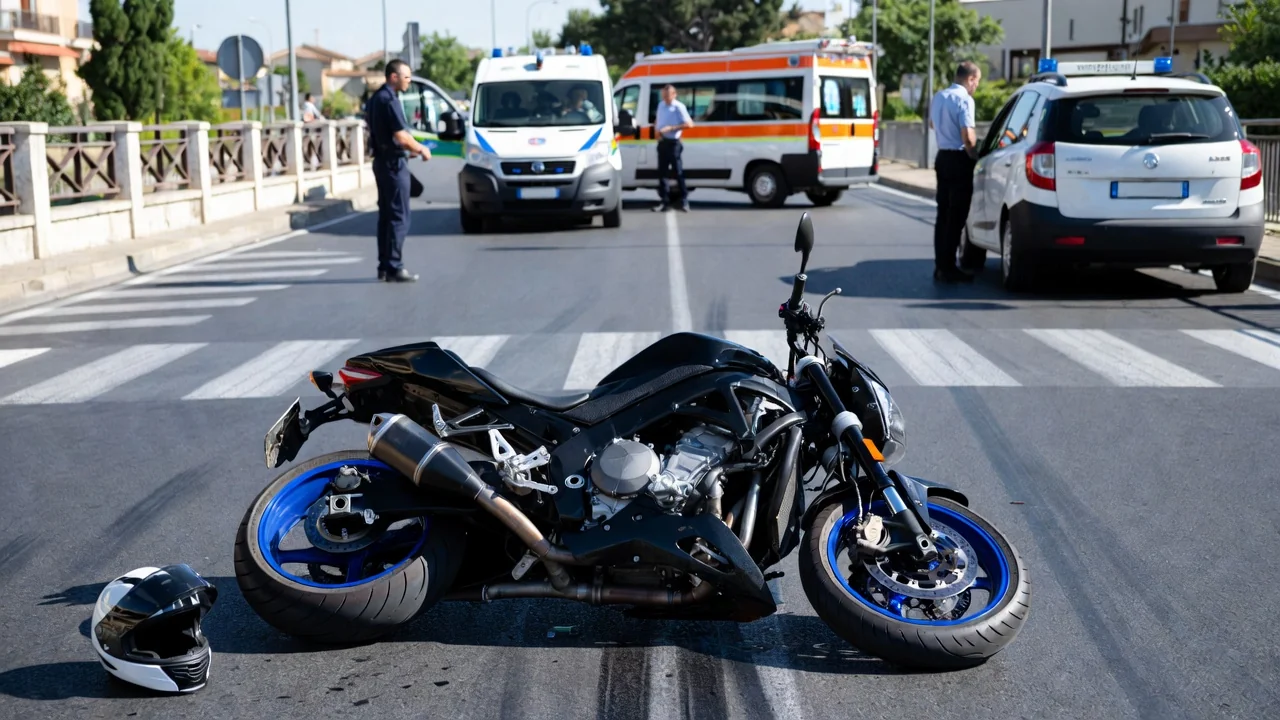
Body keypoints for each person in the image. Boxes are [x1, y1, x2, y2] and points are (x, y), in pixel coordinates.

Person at [364, 59, 432, 282]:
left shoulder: (376, 99)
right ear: (394, 77)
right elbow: (400, 134)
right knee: (399, 216)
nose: (409, 81)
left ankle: (384, 266)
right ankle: (395, 266)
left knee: (385, 216)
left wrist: (406, 149)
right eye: (406, 77)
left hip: (383, 161)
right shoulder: (389, 99)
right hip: (393, 165)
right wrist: (420, 148)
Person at [929, 61, 982, 283]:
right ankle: (949, 267)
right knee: (957, 216)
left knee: (943, 214)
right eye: (976, 82)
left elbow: (932, 125)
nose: (976, 86)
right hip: (959, 160)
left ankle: (941, 264)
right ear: (970, 79)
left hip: (942, 158)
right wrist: (974, 155)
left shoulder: (939, 97)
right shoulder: (965, 100)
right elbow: (968, 137)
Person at [652, 84, 694, 212]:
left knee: (678, 172)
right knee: (662, 173)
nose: (665, 98)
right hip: (662, 142)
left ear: (674, 95)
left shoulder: (678, 107)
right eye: (664, 96)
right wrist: (656, 130)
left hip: (674, 143)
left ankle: (684, 201)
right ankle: (664, 202)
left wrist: (671, 128)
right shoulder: (661, 105)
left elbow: (690, 124)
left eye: (668, 96)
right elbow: (658, 120)